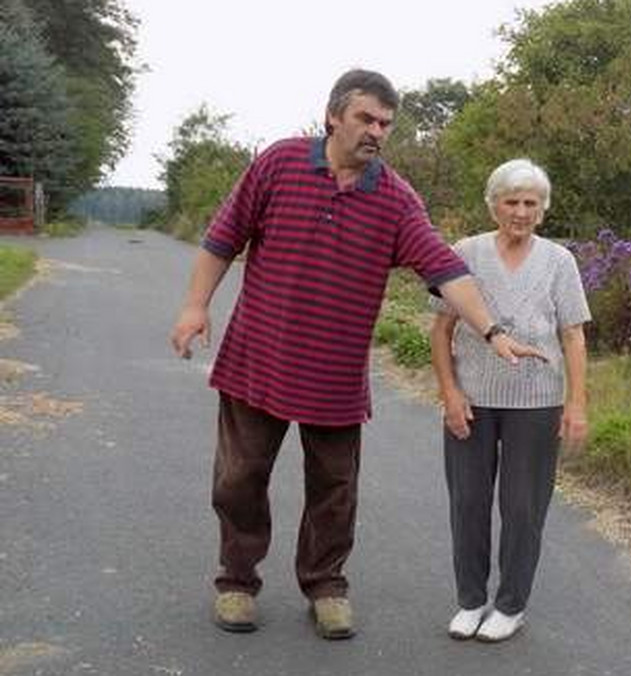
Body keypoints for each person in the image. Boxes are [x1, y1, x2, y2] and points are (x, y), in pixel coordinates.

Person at [168, 69, 542, 640]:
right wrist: (195, 305)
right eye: (367, 119)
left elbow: (445, 268)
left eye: (386, 124)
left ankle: (325, 585)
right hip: (257, 357)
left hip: (334, 373)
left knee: (334, 489)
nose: (377, 132)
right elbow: (224, 238)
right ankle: (237, 581)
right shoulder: (278, 164)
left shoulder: (394, 199)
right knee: (240, 478)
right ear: (333, 116)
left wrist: (492, 330)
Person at [430, 158, 590, 643]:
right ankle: (471, 600)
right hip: (473, 399)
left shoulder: (559, 261)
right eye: (511, 201)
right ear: (493, 204)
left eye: (530, 203)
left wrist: (575, 403)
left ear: (542, 209)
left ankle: (511, 604)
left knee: (523, 507)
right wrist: (450, 393)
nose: (521, 212)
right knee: (468, 503)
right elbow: (441, 329)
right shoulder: (465, 253)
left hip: (537, 403)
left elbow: (574, 337)